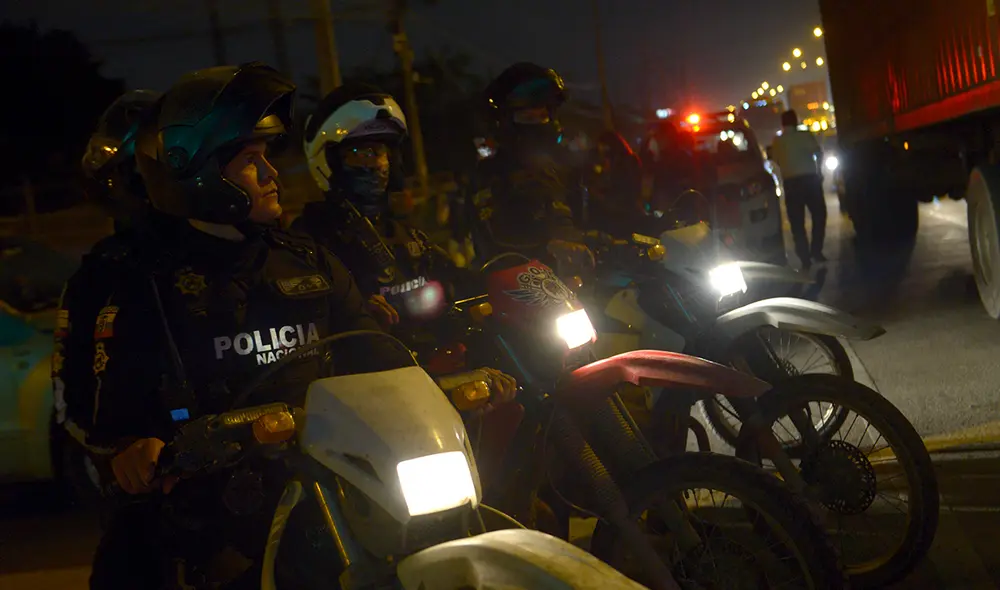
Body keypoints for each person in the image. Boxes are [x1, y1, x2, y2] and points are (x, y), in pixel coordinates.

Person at [65, 62, 409, 590]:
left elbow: (377, 352)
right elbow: (93, 408)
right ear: (199, 172)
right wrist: (131, 448)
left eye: (267, 157)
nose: (273, 175)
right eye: (252, 162)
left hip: (334, 486)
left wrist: (437, 386)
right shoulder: (135, 281)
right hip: (209, 517)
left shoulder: (305, 260)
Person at [294, 82, 515, 404]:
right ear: (329, 160)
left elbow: (452, 276)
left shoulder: (401, 232)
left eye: (379, 152)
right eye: (359, 153)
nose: (373, 164)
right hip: (374, 387)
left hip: (436, 364)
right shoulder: (310, 239)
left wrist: (512, 279)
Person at [468, 62, 592, 273]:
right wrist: (549, 244)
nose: (538, 125)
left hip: (572, 283)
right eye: (527, 118)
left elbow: (586, 217)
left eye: (542, 116)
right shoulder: (490, 173)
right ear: (505, 122)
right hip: (515, 287)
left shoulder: (565, 167)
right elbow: (495, 234)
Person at [769, 109, 827, 270]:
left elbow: (775, 160)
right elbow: (818, 153)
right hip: (810, 180)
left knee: (797, 222)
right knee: (819, 215)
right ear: (796, 121)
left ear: (782, 123)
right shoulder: (805, 136)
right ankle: (816, 250)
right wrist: (819, 171)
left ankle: (804, 257)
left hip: (791, 183)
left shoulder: (778, 141)